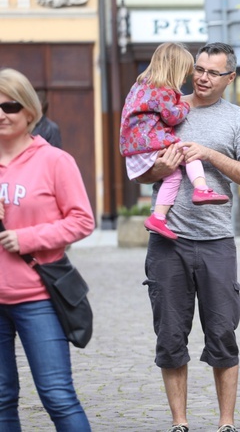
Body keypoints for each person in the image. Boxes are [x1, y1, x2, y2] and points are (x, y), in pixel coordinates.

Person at [135, 43, 240, 432]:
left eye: (213, 72)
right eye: (199, 69)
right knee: (170, 336)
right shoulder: (169, 109)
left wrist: (209, 154)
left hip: (216, 241)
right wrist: (158, 167)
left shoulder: (238, 120)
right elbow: (139, 170)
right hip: (167, 241)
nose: (203, 77)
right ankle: (180, 423)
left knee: (223, 333)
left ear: (230, 78)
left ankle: (226, 423)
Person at [0, 68, 95, 431]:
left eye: (9, 105)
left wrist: (28, 238)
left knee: (57, 395)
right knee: (1, 398)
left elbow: (82, 220)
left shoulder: (54, 161)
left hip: (37, 297)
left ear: (29, 112)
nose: (1, 114)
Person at [120, 42, 229, 240]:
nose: (185, 78)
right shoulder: (163, 90)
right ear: (175, 70)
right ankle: (201, 189)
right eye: (185, 73)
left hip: (135, 146)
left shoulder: (140, 86)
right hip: (148, 141)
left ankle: (158, 217)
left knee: (173, 176)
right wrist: (184, 107)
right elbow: (172, 117)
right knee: (190, 152)